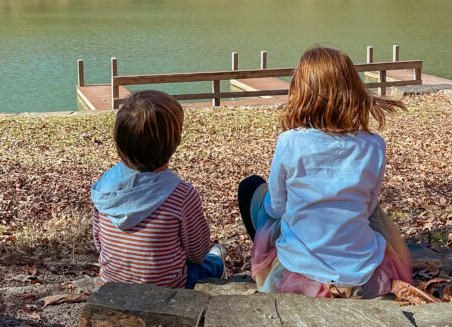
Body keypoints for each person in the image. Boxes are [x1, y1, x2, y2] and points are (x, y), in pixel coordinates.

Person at [238, 46, 412, 298]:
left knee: (250, 187)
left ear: (301, 92)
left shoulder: (289, 141)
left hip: (301, 263)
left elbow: (276, 208)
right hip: (360, 266)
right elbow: (369, 206)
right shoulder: (374, 145)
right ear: (352, 89)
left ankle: (268, 256)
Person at [91, 90, 225, 288]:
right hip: (168, 289)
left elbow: (99, 243)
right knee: (213, 262)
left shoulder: (103, 186)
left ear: (119, 143)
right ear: (174, 142)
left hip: (112, 285)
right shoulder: (182, 195)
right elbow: (197, 254)